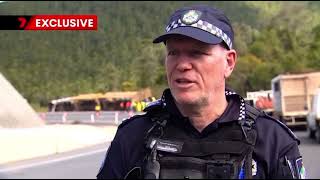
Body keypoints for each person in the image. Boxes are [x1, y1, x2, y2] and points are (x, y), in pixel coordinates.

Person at [97, 4, 305, 179]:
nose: (182, 65)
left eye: (197, 53)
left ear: (229, 62)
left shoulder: (272, 140)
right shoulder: (133, 136)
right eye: (173, 53)